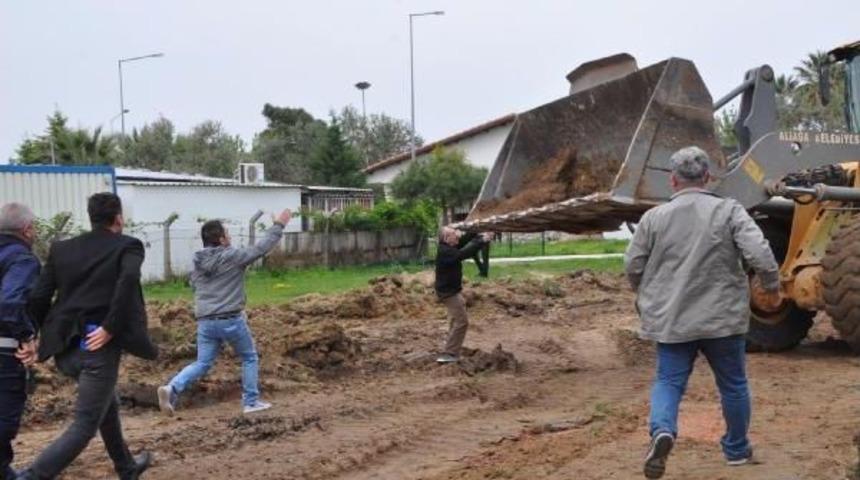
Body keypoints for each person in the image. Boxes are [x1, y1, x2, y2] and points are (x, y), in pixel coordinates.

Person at [624, 146, 781, 479]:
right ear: (709, 177)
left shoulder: (654, 218)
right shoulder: (730, 210)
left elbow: (632, 264)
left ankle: (663, 431)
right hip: (723, 320)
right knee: (734, 385)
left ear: (672, 180)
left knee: (668, 381)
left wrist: (646, 292)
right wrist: (771, 285)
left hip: (672, 320)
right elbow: (760, 254)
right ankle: (737, 450)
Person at [19, 193, 157, 480]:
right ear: (118, 218)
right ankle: (31, 476)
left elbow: (41, 295)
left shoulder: (62, 249)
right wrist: (110, 326)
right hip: (96, 347)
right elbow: (128, 281)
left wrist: (30, 335)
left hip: (64, 350)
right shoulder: (128, 246)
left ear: (91, 217)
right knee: (85, 424)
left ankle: (127, 468)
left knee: (108, 404)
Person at [158, 209, 292, 416]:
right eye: (227, 234)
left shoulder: (197, 263)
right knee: (249, 357)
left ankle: (172, 387)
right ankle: (251, 401)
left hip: (205, 322)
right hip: (230, 319)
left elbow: (195, 287)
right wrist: (279, 225)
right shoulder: (233, 256)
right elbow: (261, 248)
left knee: (202, 363)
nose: (229, 237)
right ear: (221, 239)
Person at [0, 204, 39, 480]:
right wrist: (26, 335)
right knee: (3, 424)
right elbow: (9, 303)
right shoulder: (22, 259)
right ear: (26, 230)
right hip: (4, 355)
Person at [434, 227, 492, 364]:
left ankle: (450, 345)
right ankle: (449, 353)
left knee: (456, 319)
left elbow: (464, 241)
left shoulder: (448, 247)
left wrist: (475, 230)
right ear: (447, 238)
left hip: (452, 291)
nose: (457, 236)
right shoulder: (446, 251)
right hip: (448, 293)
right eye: (454, 235)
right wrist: (482, 240)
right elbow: (463, 254)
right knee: (462, 322)